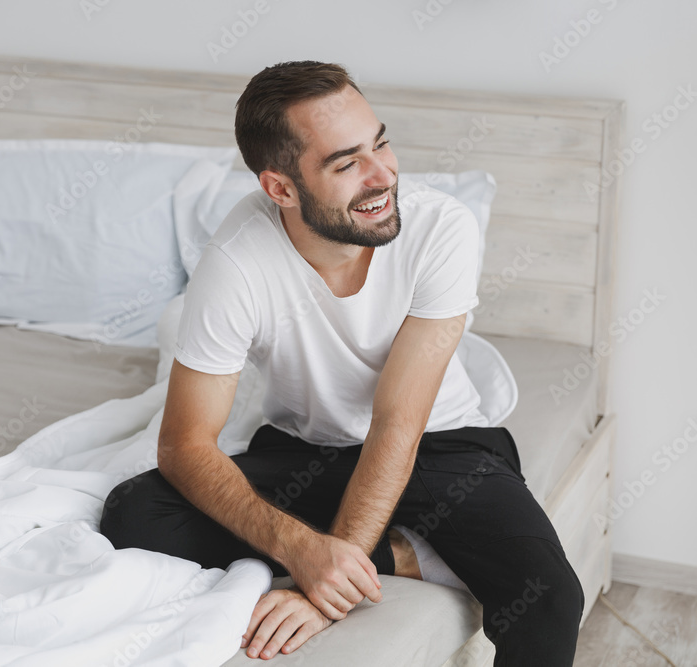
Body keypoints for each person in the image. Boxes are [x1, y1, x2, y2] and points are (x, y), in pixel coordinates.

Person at [100, 61, 584, 666]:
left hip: (440, 445)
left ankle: (394, 552)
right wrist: (304, 549)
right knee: (135, 513)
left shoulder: (441, 229)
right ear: (280, 188)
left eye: (380, 143)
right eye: (346, 162)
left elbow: (397, 425)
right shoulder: (236, 261)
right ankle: (405, 555)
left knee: (550, 598)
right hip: (306, 452)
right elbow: (184, 445)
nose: (383, 175)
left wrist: (322, 586)